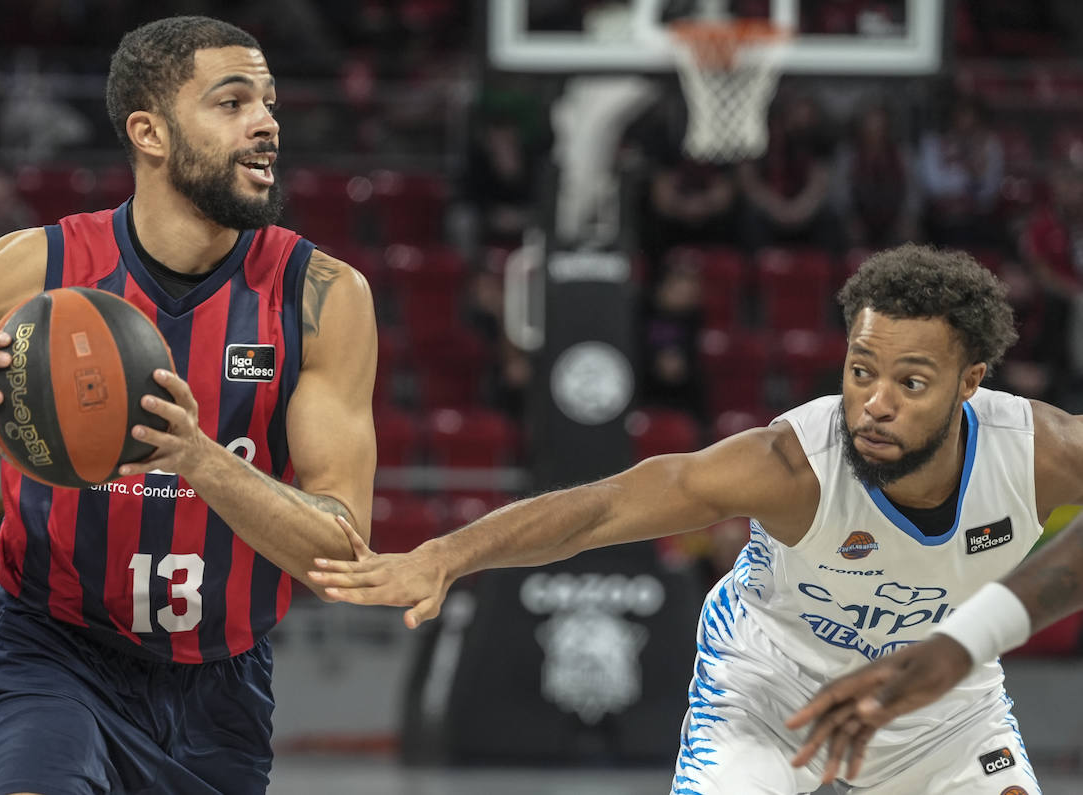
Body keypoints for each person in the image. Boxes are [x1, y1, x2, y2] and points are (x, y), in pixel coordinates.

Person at [0, 16, 378, 795]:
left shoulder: (322, 296)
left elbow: (341, 552)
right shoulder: (34, 269)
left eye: (269, 102)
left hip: (218, 685)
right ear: (150, 131)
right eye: (233, 102)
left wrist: (197, 456)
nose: (267, 122)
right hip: (47, 644)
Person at [310, 244, 1080, 794]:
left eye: (911, 381)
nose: (875, 402)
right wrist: (448, 553)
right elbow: (608, 504)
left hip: (940, 704)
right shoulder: (794, 464)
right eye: (860, 370)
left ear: (970, 382)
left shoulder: (1037, 453)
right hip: (774, 695)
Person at [786, 510, 1083, 785]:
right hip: (771, 690)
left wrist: (966, 642)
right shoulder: (784, 465)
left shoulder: (1036, 460)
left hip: (954, 712)